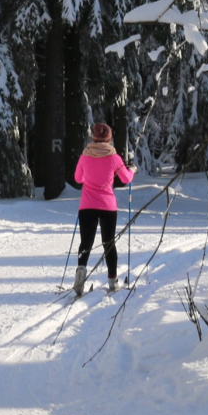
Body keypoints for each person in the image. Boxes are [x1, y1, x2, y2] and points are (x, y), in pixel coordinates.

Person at [71, 122, 134, 297]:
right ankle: (113, 282)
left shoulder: (85, 156)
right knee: (108, 243)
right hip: (107, 206)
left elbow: (78, 177)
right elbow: (126, 178)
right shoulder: (114, 157)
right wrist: (133, 169)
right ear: (109, 138)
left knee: (86, 242)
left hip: (87, 206)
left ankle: (81, 271)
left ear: (93, 137)